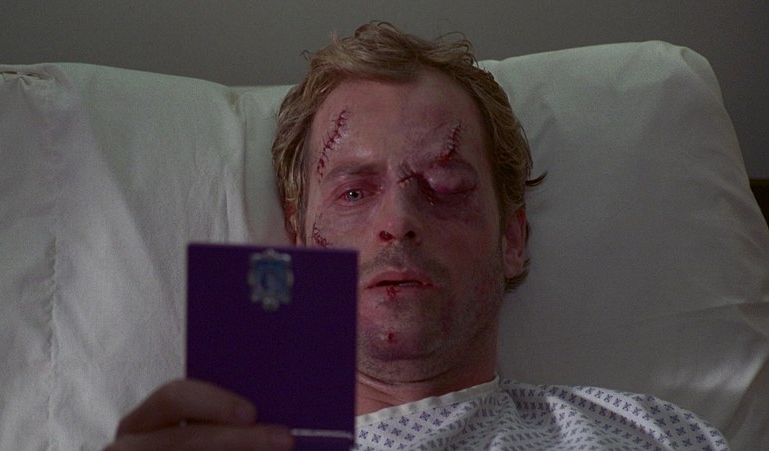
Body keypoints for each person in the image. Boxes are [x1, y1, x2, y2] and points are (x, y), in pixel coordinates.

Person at [106, 22, 729, 450]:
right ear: (296, 245)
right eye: (354, 192)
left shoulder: (651, 436)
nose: (398, 220)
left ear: (512, 240)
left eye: (446, 186)